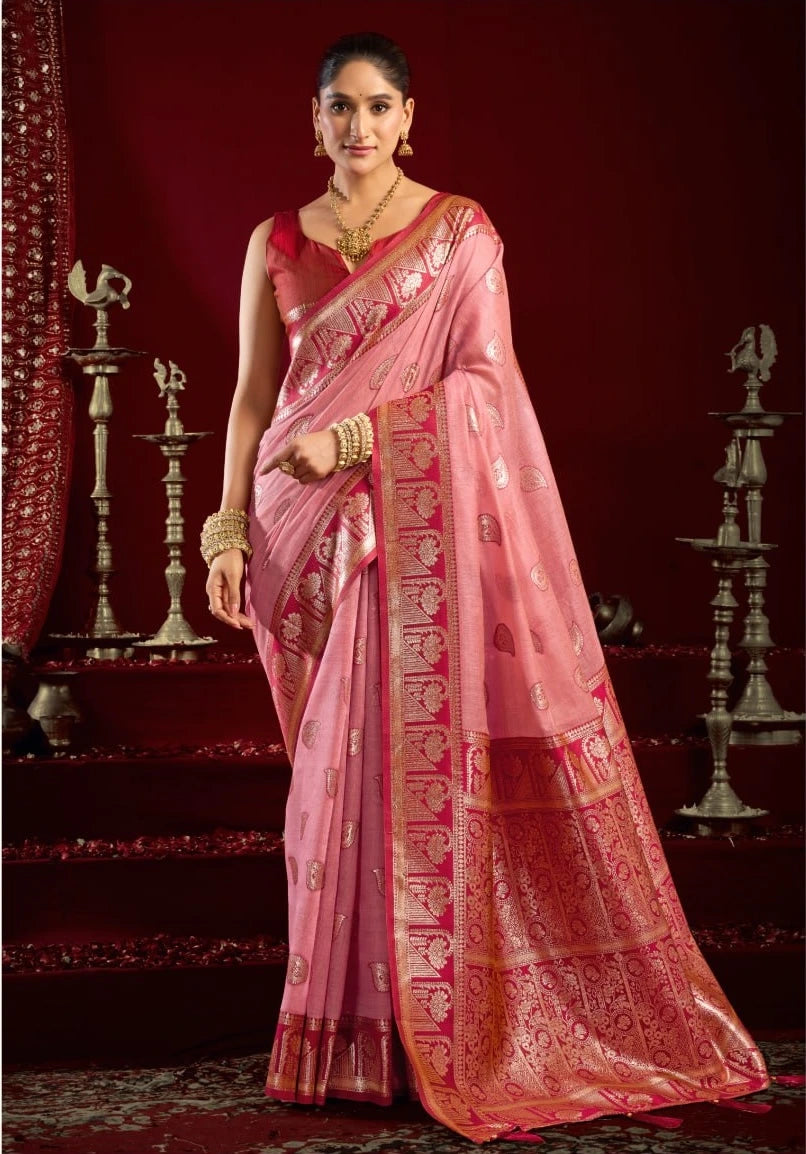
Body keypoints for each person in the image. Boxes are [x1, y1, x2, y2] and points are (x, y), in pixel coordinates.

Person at [202, 31, 769, 1145]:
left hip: (404, 536)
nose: (356, 127)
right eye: (336, 108)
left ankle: (407, 1030)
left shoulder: (458, 235)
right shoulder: (275, 240)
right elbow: (248, 396)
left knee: (383, 764)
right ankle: (334, 1027)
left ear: (408, 118)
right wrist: (226, 526)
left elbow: (484, 389)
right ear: (311, 119)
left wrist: (364, 434)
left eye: (375, 107)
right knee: (326, 782)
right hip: (297, 531)